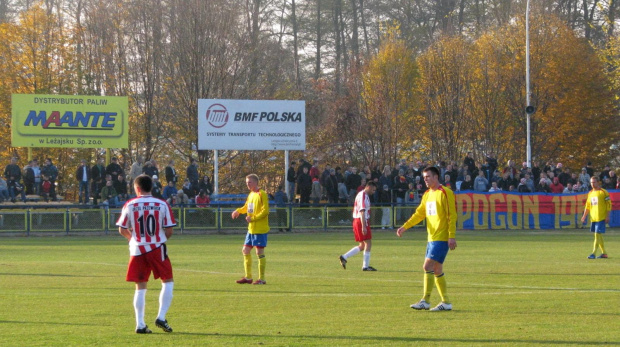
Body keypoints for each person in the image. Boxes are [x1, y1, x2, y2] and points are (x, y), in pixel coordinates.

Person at [116, 174, 176, 334]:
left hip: (137, 249)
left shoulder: (130, 204)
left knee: (140, 287)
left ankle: (140, 324)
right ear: (152, 187)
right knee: (167, 281)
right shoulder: (162, 204)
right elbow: (169, 230)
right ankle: (161, 317)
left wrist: (132, 239)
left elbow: (122, 228)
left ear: (137, 188)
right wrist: (160, 240)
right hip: (157, 247)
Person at [396, 166, 457, 312]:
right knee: (436, 269)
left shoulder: (445, 192)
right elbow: (419, 214)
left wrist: (451, 236)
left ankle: (425, 300)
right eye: (424, 177)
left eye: (428, 176)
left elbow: (452, 215)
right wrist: (405, 227)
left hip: (441, 237)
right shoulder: (427, 194)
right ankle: (446, 302)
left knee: (427, 266)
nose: (425, 180)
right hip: (431, 237)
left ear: (436, 177)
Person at [232, 174, 270, 285]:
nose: (248, 185)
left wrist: (253, 218)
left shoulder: (261, 194)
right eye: (247, 183)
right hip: (251, 229)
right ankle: (248, 277)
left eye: (249, 182)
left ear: (255, 182)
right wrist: (238, 211)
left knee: (259, 252)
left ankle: (262, 279)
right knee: (245, 250)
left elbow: (265, 211)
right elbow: (246, 207)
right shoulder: (251, 194)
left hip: (260, 229)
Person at [338, 181, 378, 271]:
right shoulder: (363, 195)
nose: (373, 192)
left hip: (357, 220)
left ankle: (344, 256)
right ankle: (365, 266)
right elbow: (362, 211)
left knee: (362, 245)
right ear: (369, 187)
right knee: (368, 243)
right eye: (373, 190)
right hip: (361, 220)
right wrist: (364, 226)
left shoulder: (361, 194)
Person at [581, 176, 611, 259]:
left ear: (598, 182)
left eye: (594, 182)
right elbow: (588, 206)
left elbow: (609, 205)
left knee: (597, 235)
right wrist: (584, 216)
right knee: (598, 235)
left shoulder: (603, 192)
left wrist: (607, 216)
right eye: (591, 182)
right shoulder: (590, 193)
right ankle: (604, 253)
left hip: (601, 217)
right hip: (593, 218)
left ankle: (593, 253)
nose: (592, 184)